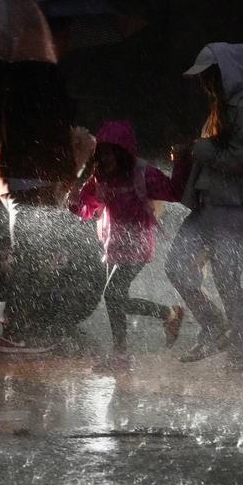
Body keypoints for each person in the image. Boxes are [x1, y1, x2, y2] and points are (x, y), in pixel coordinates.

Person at [165, 42, 243, 370]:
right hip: (211, 204)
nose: (202, 83)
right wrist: (193, 151)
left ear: (224, 75)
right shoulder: (222, 109)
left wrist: (198, 149)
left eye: (208, 75)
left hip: (234, 207)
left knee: (227, 278)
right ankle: (214, 326)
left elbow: (239, 159)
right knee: (176, 265)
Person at [0, 62, 106, 354]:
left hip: (21, 184)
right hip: (30, 187)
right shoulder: (36, 92)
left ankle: (18, 327)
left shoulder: (9, 90)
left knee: (30, 260)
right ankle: (15, 332)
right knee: (28, 261)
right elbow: (54, 153)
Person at [70, 120, 187, 368]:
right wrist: (73, 202)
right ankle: (166, 315)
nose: (105, 159)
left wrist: (181, 162)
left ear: (122, 152)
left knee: (112, 295)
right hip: (112, 245)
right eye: (101, 154)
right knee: (116, 300)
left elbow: (174, 192)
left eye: (110, 153)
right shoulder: (99, 179)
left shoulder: (143, 174)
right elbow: (87, 210)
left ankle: (122, 353)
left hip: (138, 244)